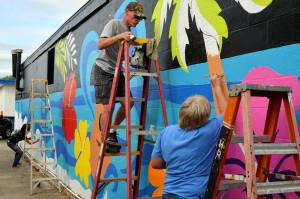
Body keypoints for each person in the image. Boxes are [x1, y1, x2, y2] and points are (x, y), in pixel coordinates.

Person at [151, 74, 228, 199]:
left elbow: (155, 163)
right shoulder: (207, 133)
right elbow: (228, 114)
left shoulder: (166, 132)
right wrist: (216, 86)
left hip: (168, 194)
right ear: (203, 120)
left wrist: (178, 164)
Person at [93, 1, 146, 153]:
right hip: (103, 69)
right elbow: (100, 44)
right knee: (108, 108)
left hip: (117, 71)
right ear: (127, 12)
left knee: (128, 104)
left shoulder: (129, 32)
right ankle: (106, 139)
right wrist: (119, 36)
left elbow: (120, 54)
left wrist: (128, 66)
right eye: (136, 17)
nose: (137, 20)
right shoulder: (114, 24)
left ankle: (112, 130)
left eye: (140, 19)